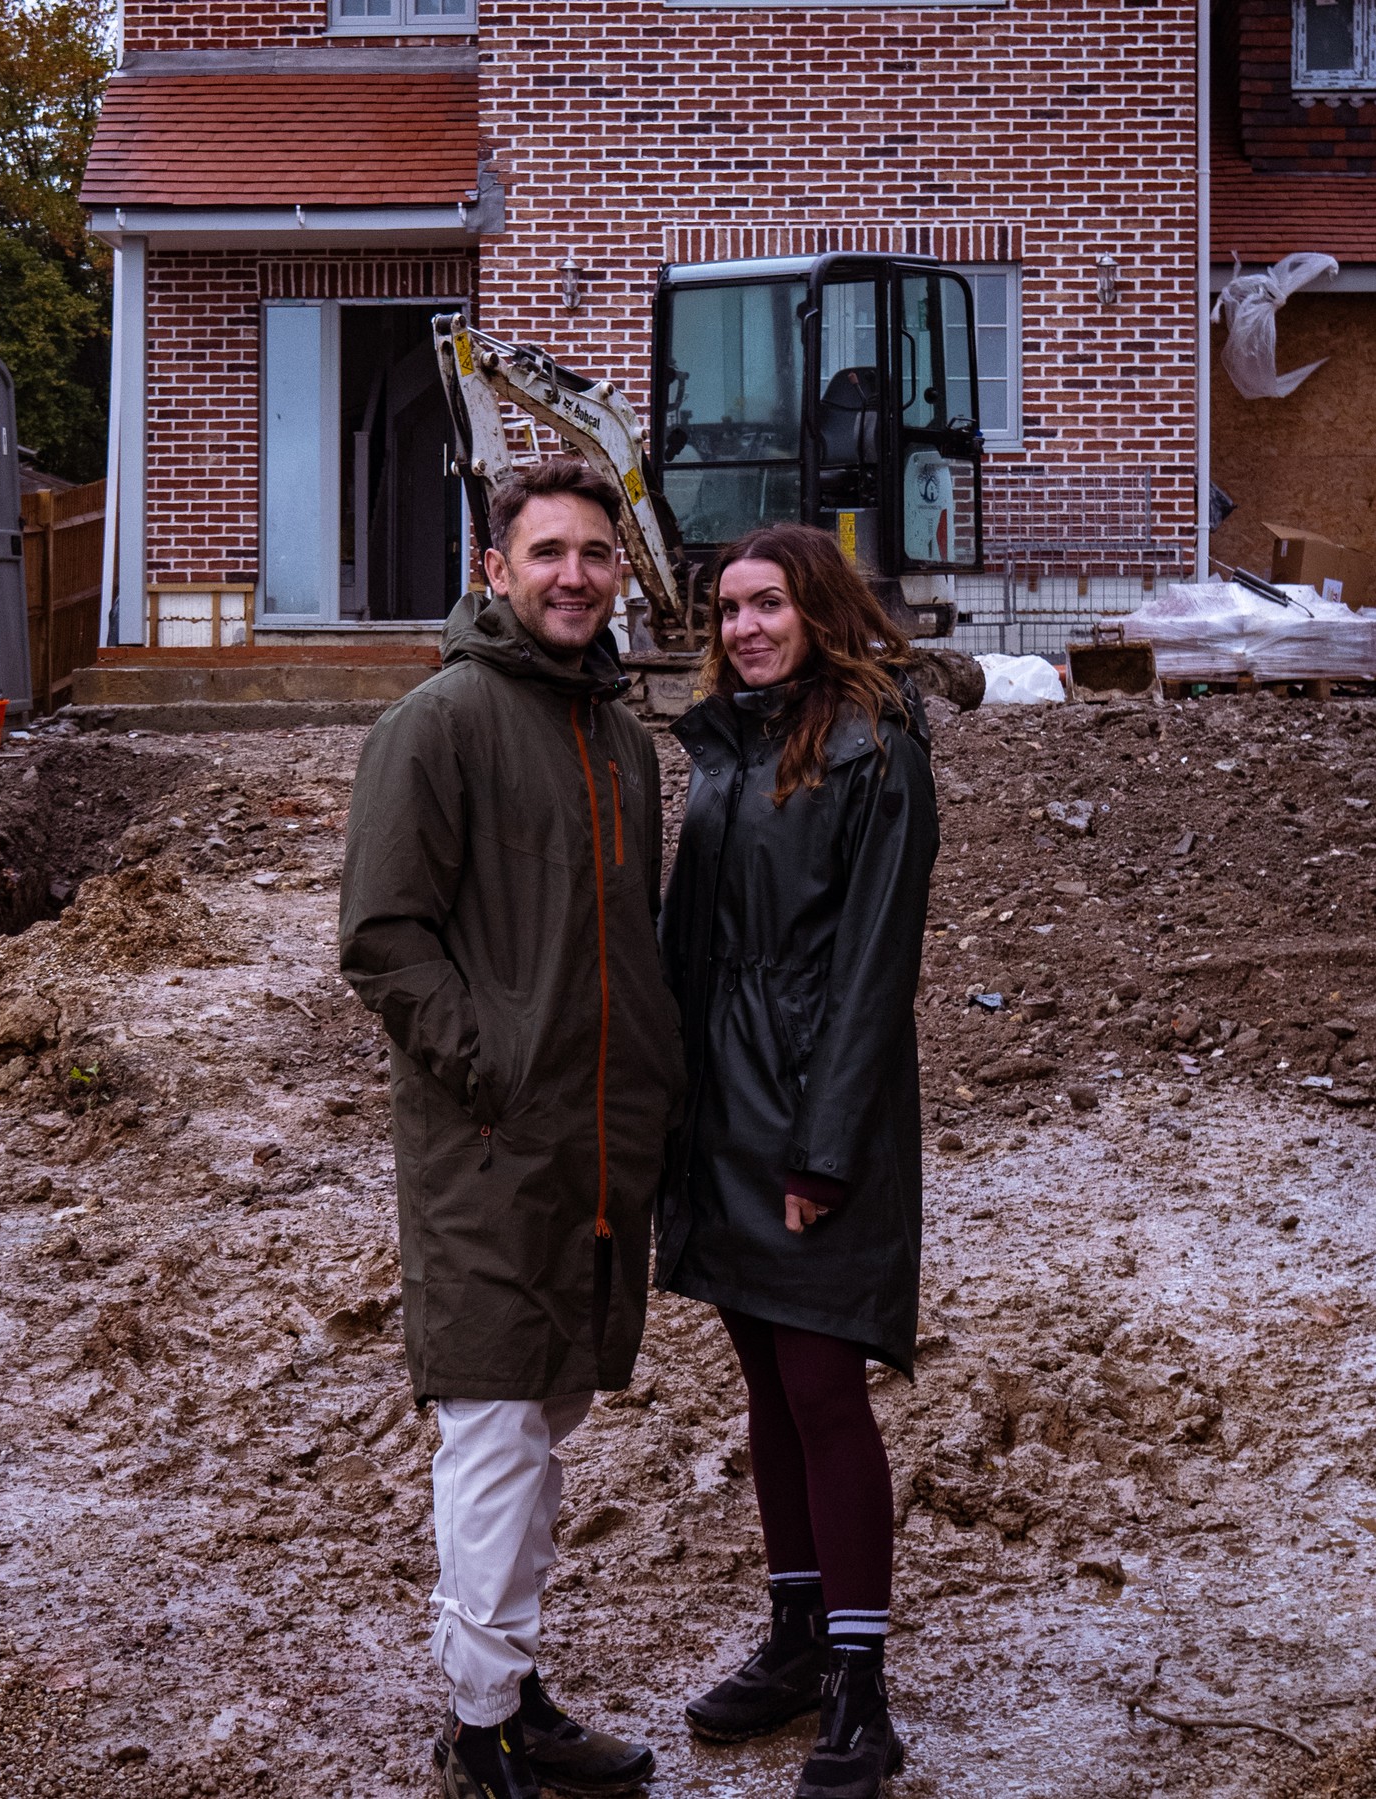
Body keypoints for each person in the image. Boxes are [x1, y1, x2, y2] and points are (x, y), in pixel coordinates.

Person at [340, 460, 686, 1799]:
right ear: (495, 569)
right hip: (489, 1146)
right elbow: (382, 939)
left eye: (595, 554)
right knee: (492, 1431)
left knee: (546, 1413)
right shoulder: (440, 722)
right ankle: (480, 1724)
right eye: (546, 552)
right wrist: (495, 1065)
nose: (573, 576)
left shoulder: (616, 736)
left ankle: (512, 1685)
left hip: (596, 1149)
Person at [657, 523, 939, 1799]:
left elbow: (876, 965)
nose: (744, 627)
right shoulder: (729, 744)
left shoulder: (876, 749)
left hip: (818, 1112)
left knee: (825, 1391)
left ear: (818, 608)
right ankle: (793, 1638)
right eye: (726, 608)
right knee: (766, 1387)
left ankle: (861, 1692)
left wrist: (821, 1153)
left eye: (767, 603)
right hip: (723, 1109)